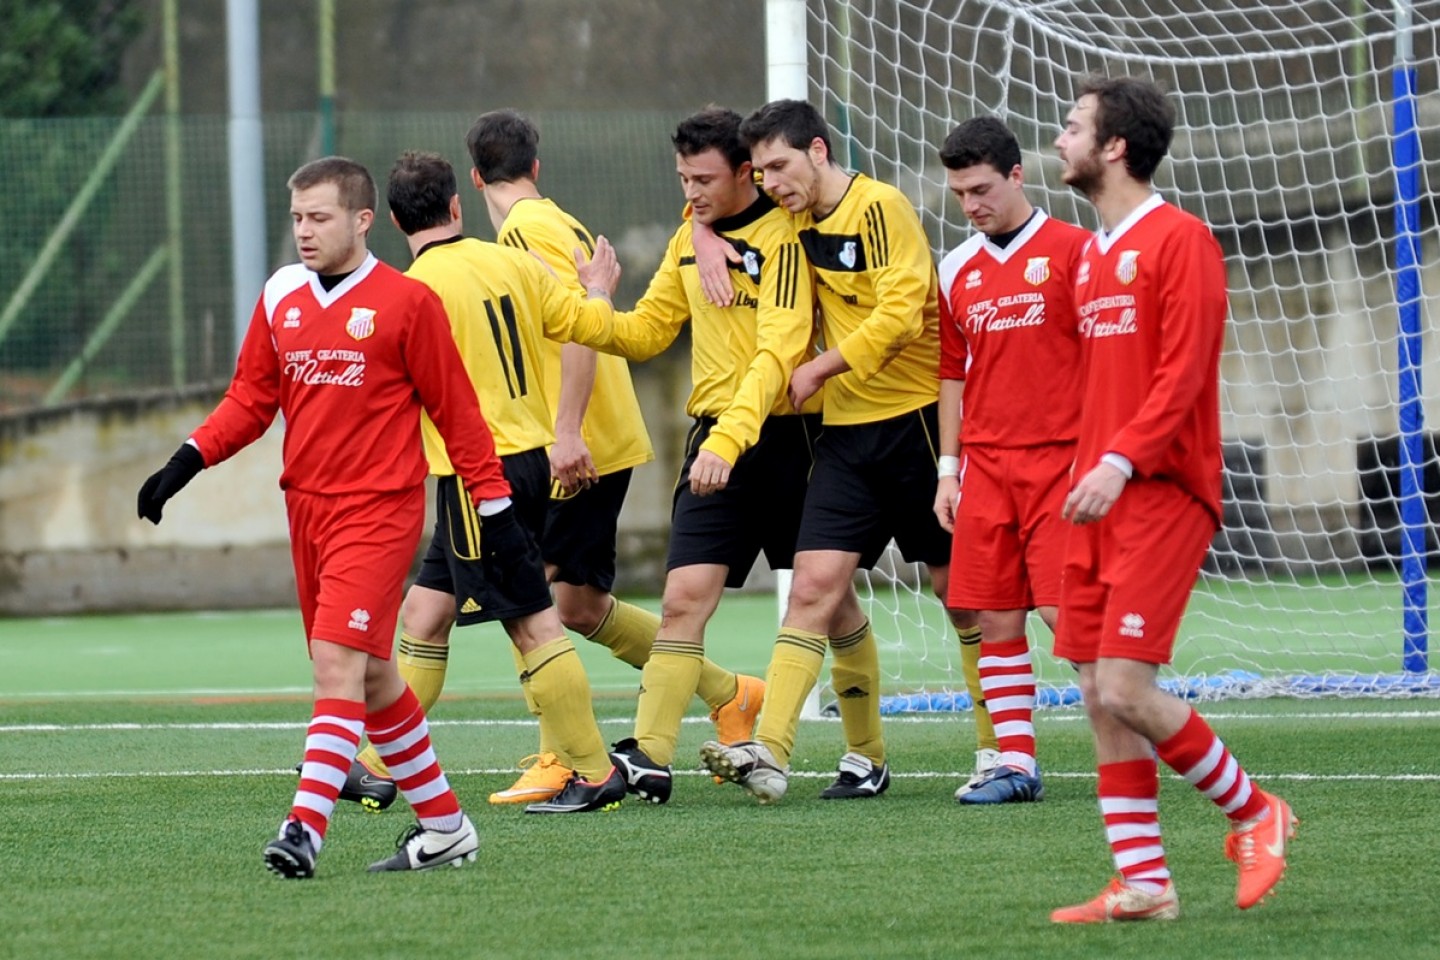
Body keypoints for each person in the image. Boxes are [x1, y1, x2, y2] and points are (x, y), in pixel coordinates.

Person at [136, 156, 496, 876]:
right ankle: (447, 826)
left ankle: (304, 829)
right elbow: (250, 400)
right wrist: (185, 460)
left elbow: (456, 410)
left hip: (380, 511)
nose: (304, 231)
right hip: (307, 511)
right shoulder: (281, 296)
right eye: (297, 217)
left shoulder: (406, 303)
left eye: (319, 217)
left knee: (336, 665)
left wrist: (494, 502)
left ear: (364, 220)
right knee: (369, 678)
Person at [1048, 76, 1296, 922]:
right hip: (1096, 498)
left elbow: (1185, 375)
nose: (1060, 139)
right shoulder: (1089, 256)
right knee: (1093, 691)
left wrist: (1119, 460)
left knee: (1124, 688)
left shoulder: (1181, 240)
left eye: (1073, 126)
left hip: (1158, 492)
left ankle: (1256, 812)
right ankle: (1144, 882)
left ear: (1114, 147)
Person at [465, 108, 764, 804]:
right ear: (534, 167)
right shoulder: (546, 220)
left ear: (475, 177)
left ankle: (563, 756)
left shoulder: (526, 230)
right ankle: (728, 693)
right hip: (594, 433)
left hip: (578, 440)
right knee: (577, 604)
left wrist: (565, 432)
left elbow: (579, 331)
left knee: (529, 592)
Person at [698, 99, 971, 803]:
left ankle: (1003, 749)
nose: (771, 183)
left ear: (819, 150)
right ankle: (788, 754)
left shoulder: (880, 207)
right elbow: (781, 327)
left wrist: (822, 367)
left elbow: (905, 309)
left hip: (917, 427)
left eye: (780, 166)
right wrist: (697, 227)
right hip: (847, 439)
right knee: (813, 589)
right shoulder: (789, 225)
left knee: (962, 598)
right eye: (759, 173)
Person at [376, 149, 629, 814]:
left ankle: (596, 773)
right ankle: (377, 765)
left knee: (532, 626)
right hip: (531, 460)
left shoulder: (412, 292)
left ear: (396, 221)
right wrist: (599, 290)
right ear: (458, 205)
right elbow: (587, 327)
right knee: (424, 616)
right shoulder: (509, 261)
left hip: (476, 476)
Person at [591, 106, 816, 804]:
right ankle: (650, 757)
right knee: (684, 598)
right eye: (683, 178)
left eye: (704, 179)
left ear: (747, 171)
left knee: (825, 604)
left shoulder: (786, 237)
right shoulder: (690, 238)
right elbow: (647, 332)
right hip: (715, 440)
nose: (690, 192)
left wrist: (730, 440)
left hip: (787, 439)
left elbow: (777, 353)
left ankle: (865, 753)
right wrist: (591, 305)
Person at [932, 117, 1090, 804]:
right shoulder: (955, 267)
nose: (971, 204)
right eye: (960, 193)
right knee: (994, 618)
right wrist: (948, 468)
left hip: (1063, 464)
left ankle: (1134, 723)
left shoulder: (1078, 252)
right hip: (986, 471)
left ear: (1018, 175)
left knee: (1065, 615)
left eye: (982, 188)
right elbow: (951, 374)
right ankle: (1016, 766)